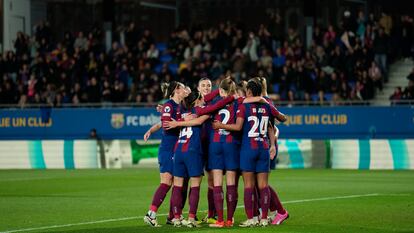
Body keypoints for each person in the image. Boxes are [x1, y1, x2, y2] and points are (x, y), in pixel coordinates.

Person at [213, 79, 287, 227]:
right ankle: (264, 219)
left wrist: (220, 125)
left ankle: (251, 219)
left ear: (249, 92)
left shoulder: (243, 106)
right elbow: (282, 119)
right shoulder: (267, 106)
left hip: (248, 148)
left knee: (248, 185)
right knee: (263, 186)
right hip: (263, 147)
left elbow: (238, 127)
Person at [165, 90, 235, 227]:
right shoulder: (200, 110)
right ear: (197, 100)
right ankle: (191, 218)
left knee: (178, 186)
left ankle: (176, 218)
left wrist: (177, 122)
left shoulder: (182, 112)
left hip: (178, 150)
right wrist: (231, 97)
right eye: (202, 98)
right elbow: (215, 107)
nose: (204, 99)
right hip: (192, 151)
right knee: (195, 185)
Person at [144, 81, 187, 227]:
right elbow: (168, 124)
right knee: (167, 182)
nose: (184, 91)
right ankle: (153, 214)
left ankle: (173, 216)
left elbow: (163, 122)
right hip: (169, 149)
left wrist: (151, 129)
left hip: (175, 148)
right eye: (182, 88)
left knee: (175, 184)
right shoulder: (169, 105)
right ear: (176, 90)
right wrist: (184, 121)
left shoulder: (177, 106)